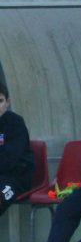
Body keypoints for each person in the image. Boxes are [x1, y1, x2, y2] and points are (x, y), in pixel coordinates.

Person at [0, 81, 34, 217]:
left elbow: (9, 160)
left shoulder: (15, 123)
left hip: (15, 178)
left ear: (7, 103)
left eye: (0, 101)